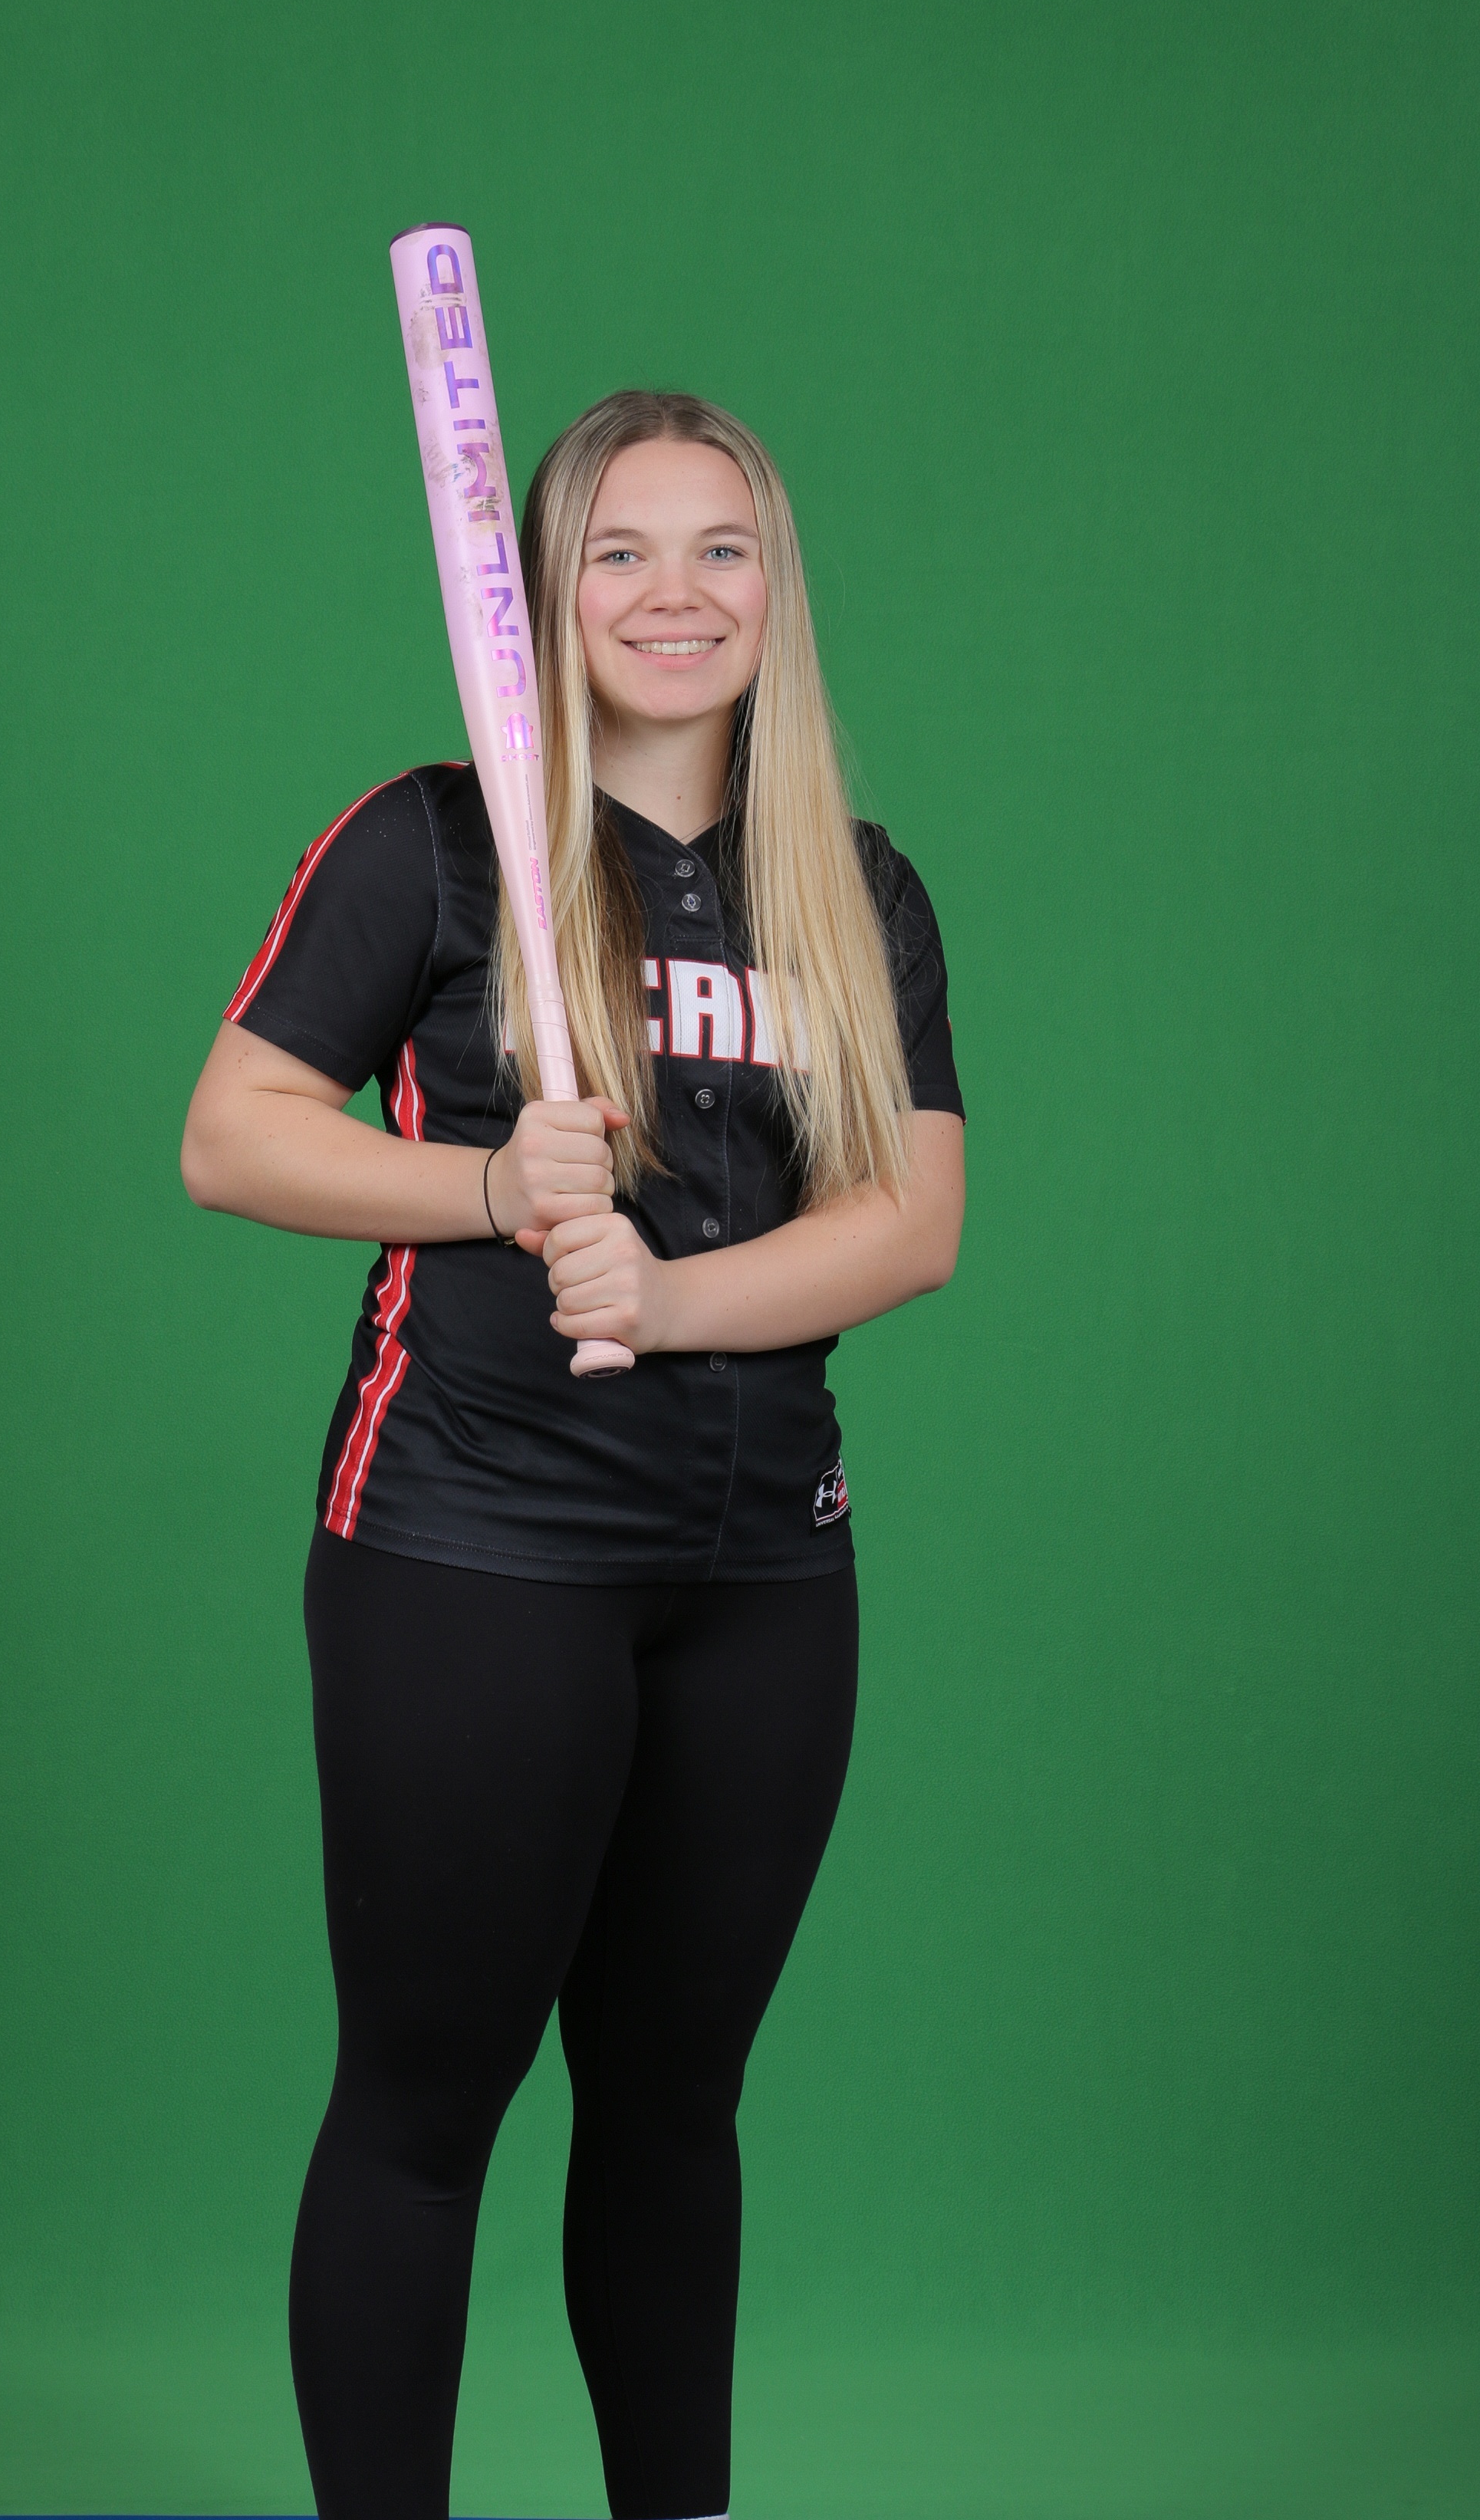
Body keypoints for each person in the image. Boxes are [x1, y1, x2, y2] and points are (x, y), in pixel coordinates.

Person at [181, 390, 966, 2520]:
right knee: (428, 2111)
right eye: (620, 550)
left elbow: (912, 1220)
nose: (673, 594)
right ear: (543, 594)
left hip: (762, 1568)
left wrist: (676, 1300)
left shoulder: (855, 887)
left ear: (774, 589)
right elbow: (232, 1136)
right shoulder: (433, 843)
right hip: (473, 1544)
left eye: (722, 548)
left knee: (676, 2108)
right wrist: (489, 1192)